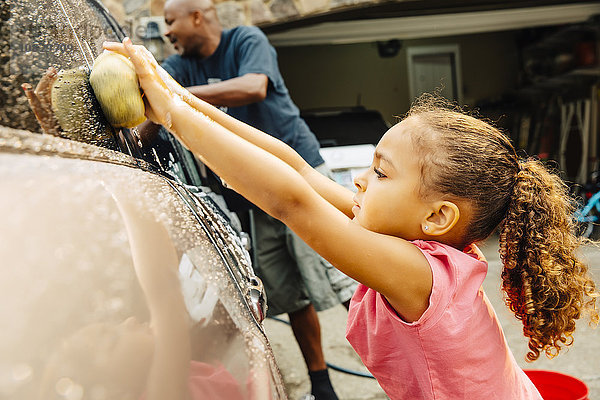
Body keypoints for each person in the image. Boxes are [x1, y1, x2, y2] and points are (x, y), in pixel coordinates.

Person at [105, 38, 599, 399]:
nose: (361, 181)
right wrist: (178, 94)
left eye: (380, 173)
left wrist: (171, 114)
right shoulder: (406, 235)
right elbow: (297, 167)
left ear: (437, 216)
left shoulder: (421, 274)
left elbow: (292, 202)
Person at [139, 1, 357, 398]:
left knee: (345, 274)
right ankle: (323, 387)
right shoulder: (177, 67)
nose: (167, 32)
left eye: (171, 21)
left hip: (302, 177)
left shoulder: (245, 39)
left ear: (198, 17)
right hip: (254, 195)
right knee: (290, 292)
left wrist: (171, 97)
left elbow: (253, 86)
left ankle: (397, 349)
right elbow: (148, 120)